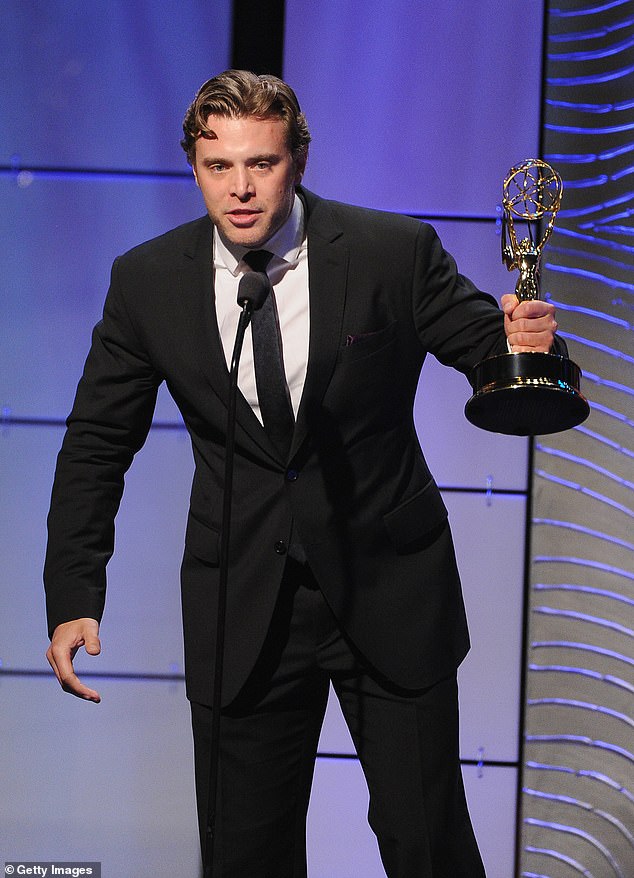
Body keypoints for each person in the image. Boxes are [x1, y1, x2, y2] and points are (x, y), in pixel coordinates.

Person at [45, 69, 560, 877]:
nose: (241, 188)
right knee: (246, 857)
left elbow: (481, 344)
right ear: (194, 166)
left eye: (263, 164)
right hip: (241, 601)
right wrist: (75, 592)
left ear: (299, 161)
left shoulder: (393, 252)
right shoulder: (148, 280)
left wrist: (527, 347)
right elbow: (97, 441)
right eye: (220, 167)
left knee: (427, 847)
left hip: (388, 589)